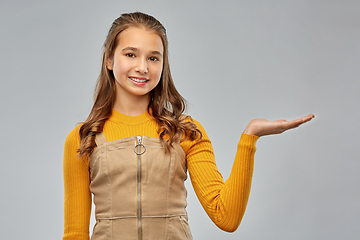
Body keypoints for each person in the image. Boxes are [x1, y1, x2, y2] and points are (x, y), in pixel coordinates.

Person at [62, 12, 314, 240]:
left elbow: (226, 217)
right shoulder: (84, 138)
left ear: (163, 65)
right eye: (130, 54)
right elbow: (75, 234)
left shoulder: (186, 132)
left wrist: (250, 137)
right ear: (109, 59)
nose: (142, 67)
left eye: (153, 58)